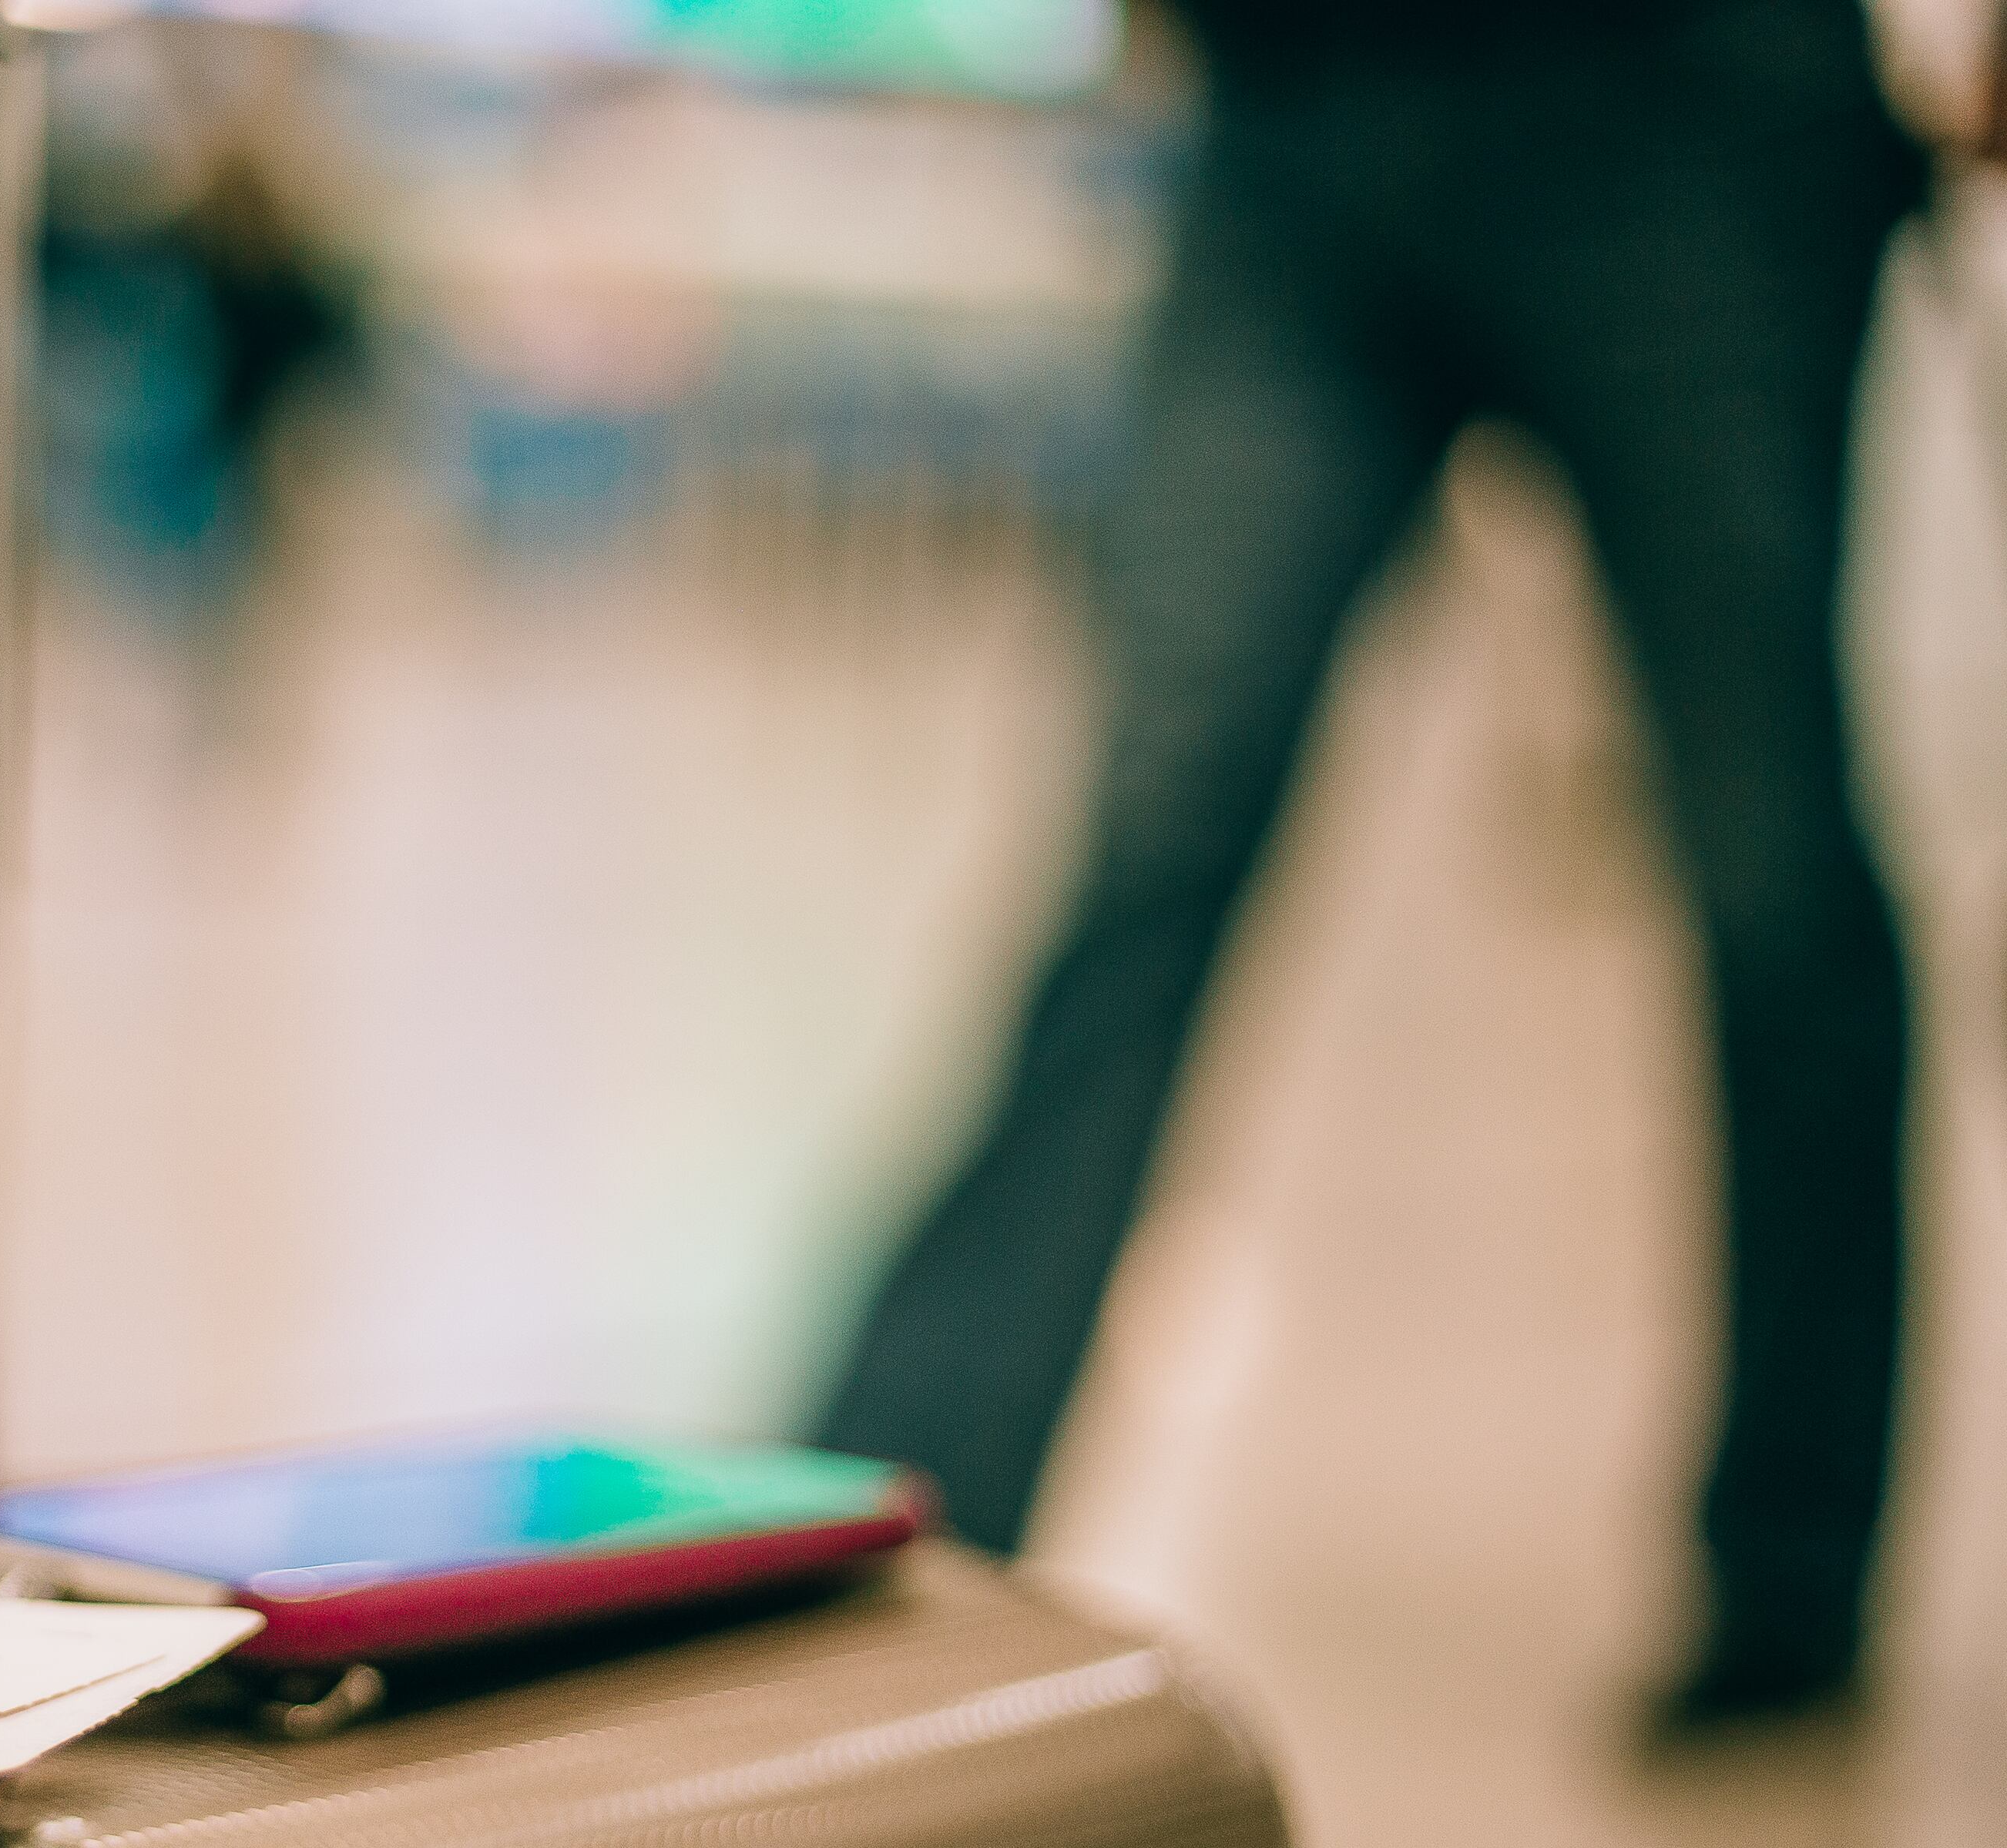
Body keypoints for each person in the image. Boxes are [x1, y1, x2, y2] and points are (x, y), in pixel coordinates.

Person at [809, 0, 1935, 1732]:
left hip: (1685, 112)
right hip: (1297, 106)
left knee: (1767, 869)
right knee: (1150, 837)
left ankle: (1794, 1562)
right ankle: (895, 1512)